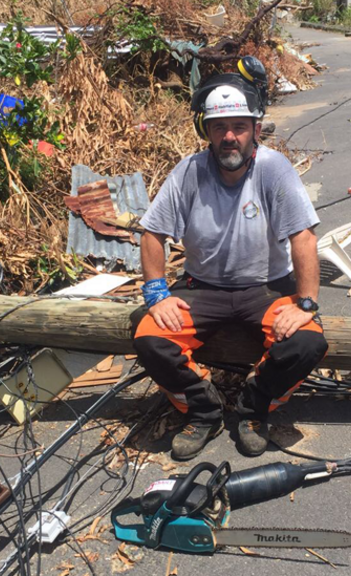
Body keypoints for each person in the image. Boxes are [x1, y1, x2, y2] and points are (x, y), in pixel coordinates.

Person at [132, 59, 328, 461]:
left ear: (255, 129)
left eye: (238, 127)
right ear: (205, 130)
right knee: (149, 337)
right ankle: (202, 410)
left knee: (308, 343)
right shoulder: (189, 171)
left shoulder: (274, 169)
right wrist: (156, 292)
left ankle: (255, 407)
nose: (229, 137)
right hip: (201, 287)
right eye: (219, 127)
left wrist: (306, 303)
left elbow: (303, 237)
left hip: (268, 287)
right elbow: (153, 232)